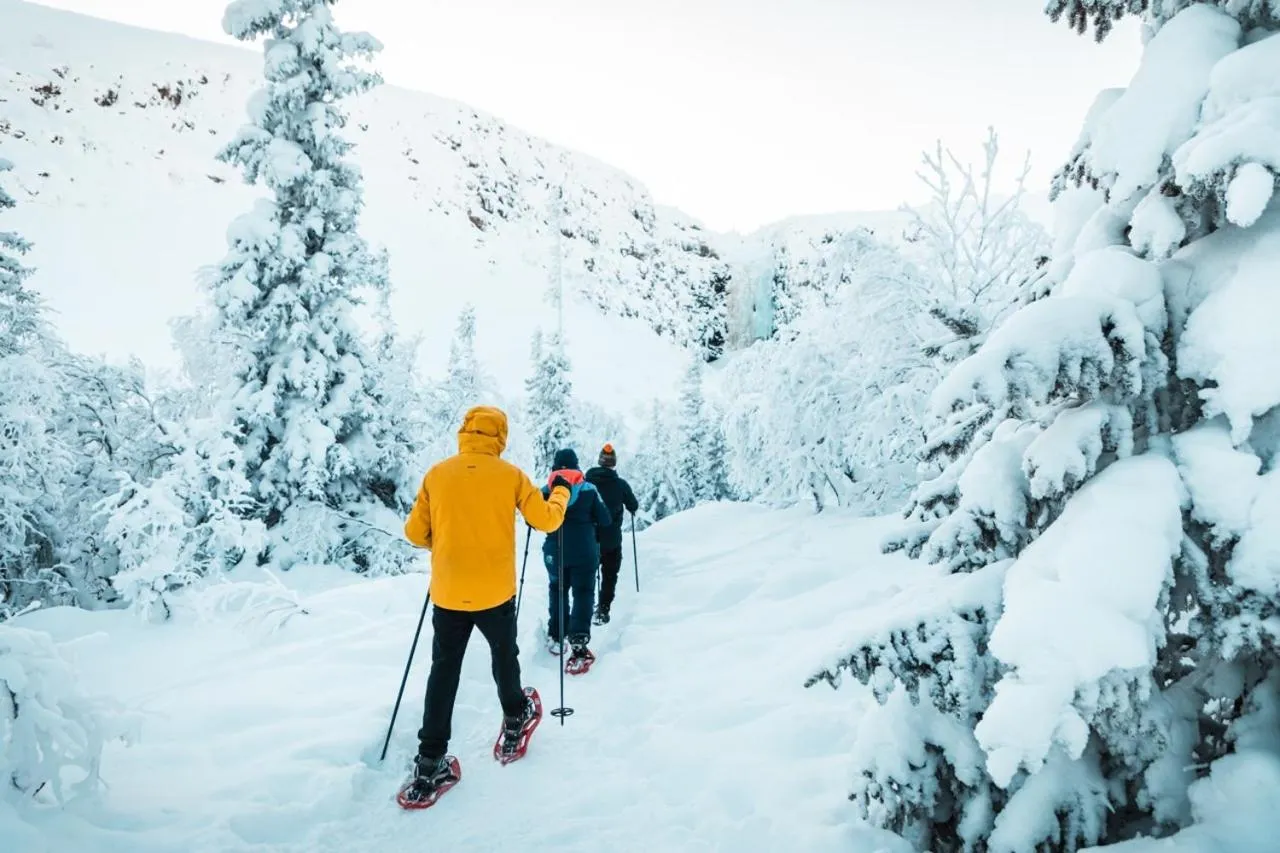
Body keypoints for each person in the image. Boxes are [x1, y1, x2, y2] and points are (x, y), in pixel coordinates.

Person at [400, 406, 573, 804]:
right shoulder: (510, 475)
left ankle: (429, 762)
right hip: (494, 592)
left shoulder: (437, 475)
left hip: (447, 594)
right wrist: (561, 491)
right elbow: (546, 521)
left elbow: (414, 532)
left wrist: (443, 545)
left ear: (465, 432)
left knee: (443, 671)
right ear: (500, 437)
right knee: (502, 654)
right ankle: (515, 718)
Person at [540, 448, 611, 664]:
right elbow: (605, 519)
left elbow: (533, 519)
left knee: (557, 590)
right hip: (584, 551)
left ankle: (557, 635)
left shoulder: (545, 490)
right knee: (583, 592)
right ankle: (578, 640)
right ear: (576, 465)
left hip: (555, 551)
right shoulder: (589, 489)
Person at [585, 443, 639, 625]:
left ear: (599, 462)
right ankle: (603, 609)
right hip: (611, 540)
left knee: (587, 574)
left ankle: (584, 607)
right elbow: (633, 506)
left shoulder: (586, 482)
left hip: (588, 538)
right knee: (609, 575)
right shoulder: (621, 485)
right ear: (613, 464)